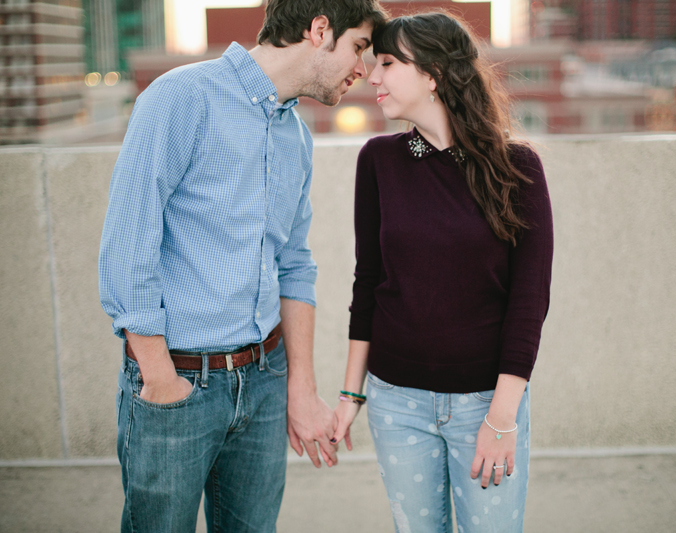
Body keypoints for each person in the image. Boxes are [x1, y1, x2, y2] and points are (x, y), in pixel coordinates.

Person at [98, 1, 387, 531]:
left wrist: (298, 386)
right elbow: (128, 243)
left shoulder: (294, 135)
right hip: (178, 384)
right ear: (320, 29)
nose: (362, 70)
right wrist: (161, 380)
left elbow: (294, 262)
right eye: (359, 47)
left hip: (262, 381)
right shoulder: (182, 97)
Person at [331, 12, 554, 533]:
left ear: (432, 73)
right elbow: (368, 284)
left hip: (487, 404)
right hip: (397, 404)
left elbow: (529, 303)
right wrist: (350, 395)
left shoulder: (516, 167)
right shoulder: (382, 160)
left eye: (387, 63)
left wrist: (501, 420)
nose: (373, 76)